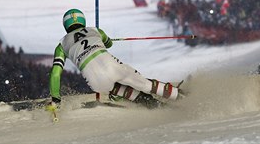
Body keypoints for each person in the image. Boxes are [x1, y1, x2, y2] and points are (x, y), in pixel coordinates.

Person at [48, 8, 181, 110]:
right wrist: (104, 41)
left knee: (120, 89)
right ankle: (178, 95)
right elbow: (108, 44)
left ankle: (154, 105)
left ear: (66, 25)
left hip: (96, 83)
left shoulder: (61, 45)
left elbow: (55, 74)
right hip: (112, 67)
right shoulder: (95, 30)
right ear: (82, 21)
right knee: (145, 84)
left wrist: (55, 100)